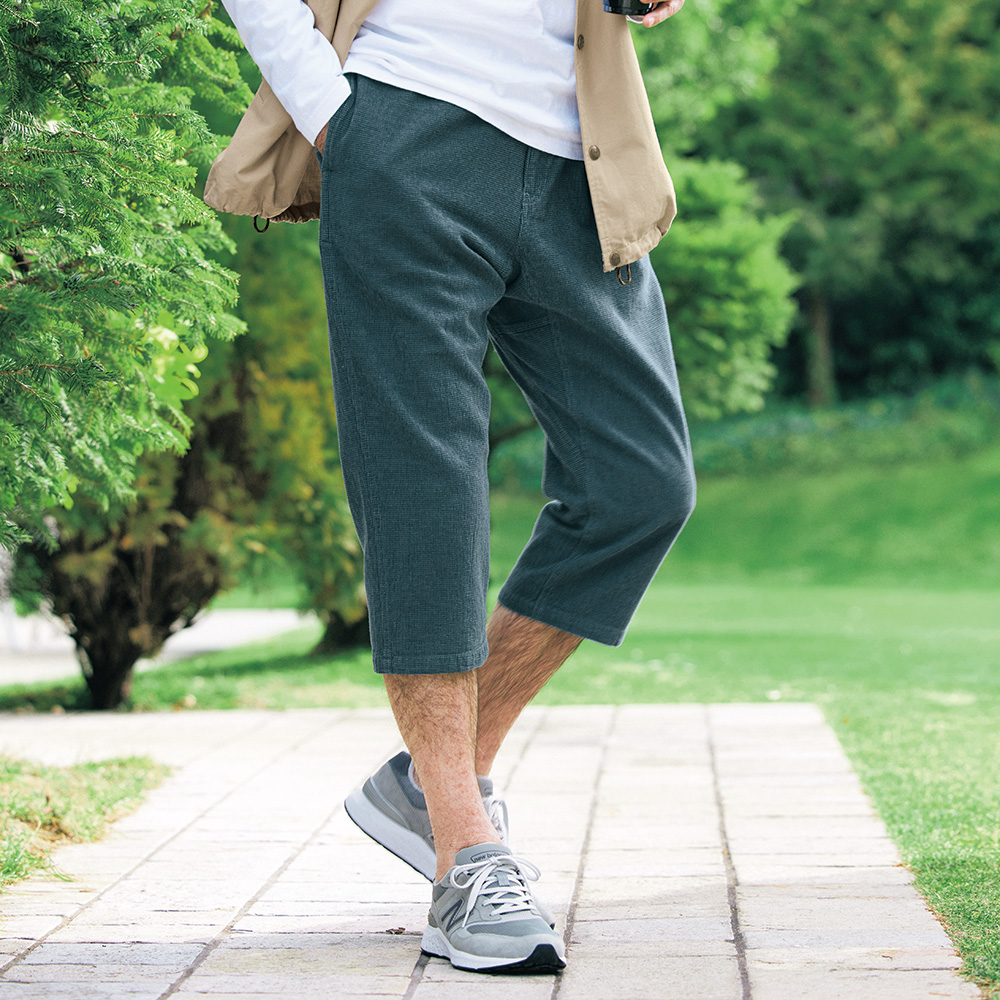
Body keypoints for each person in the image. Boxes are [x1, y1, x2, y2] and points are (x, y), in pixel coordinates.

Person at [209, 0, 694, 976]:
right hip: (404, 123)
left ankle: (433, 781)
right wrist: (330, 110)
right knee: (424, 494)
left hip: (581, 148)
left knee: (641, 484)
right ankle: (466, 851)